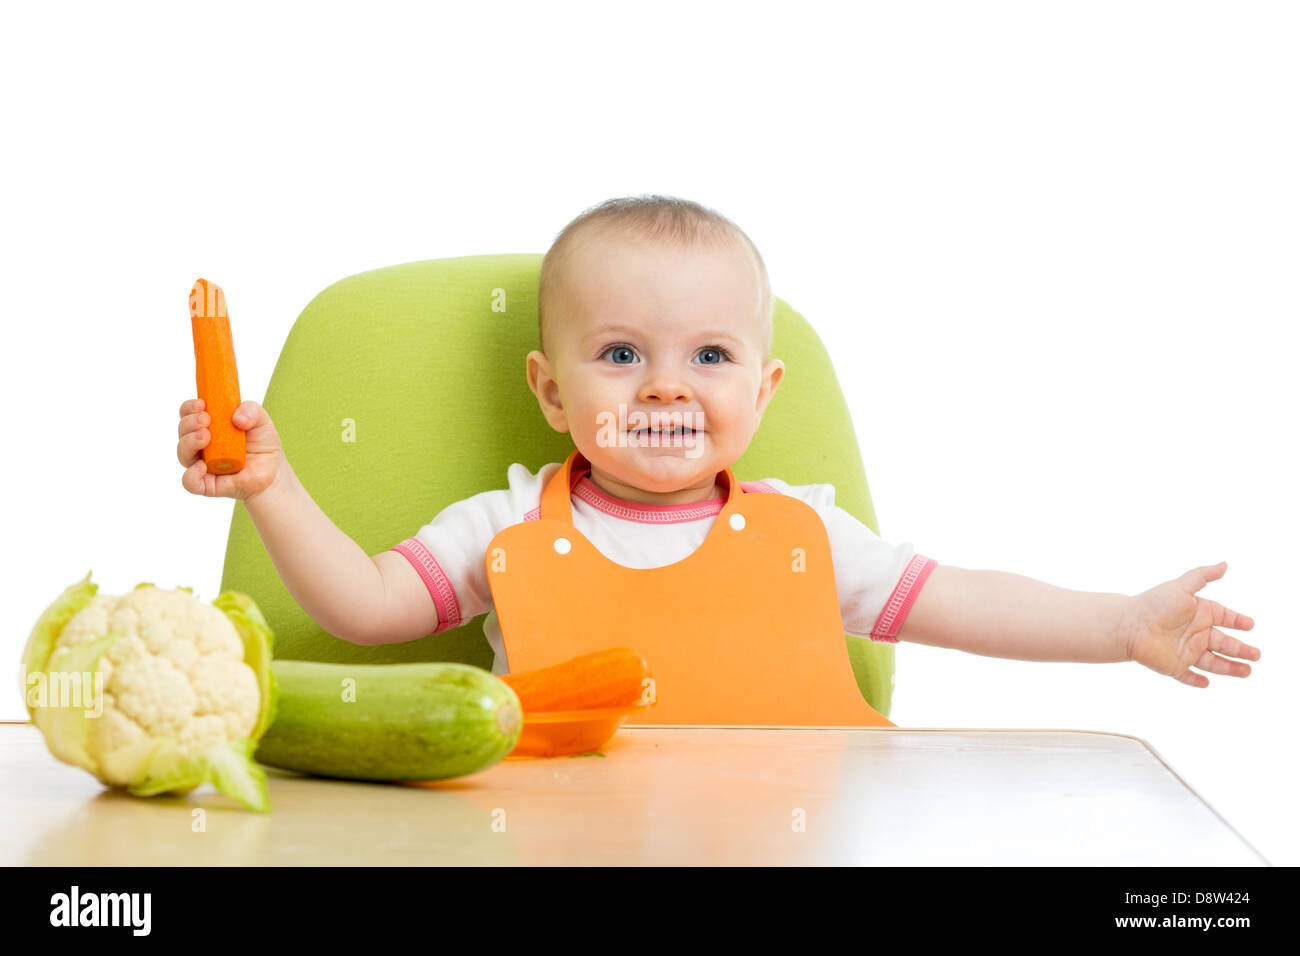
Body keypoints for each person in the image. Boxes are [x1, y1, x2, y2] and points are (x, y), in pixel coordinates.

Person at [176, 195, 1260, 692]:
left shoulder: (803, 535)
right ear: (551, 392)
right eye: (617, 353)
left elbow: (967, 600)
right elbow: (363, 607)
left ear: (763, 386)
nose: (663, 384)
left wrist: (1122, 625)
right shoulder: (505, 526)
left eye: (707, 356)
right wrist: (268, 486)